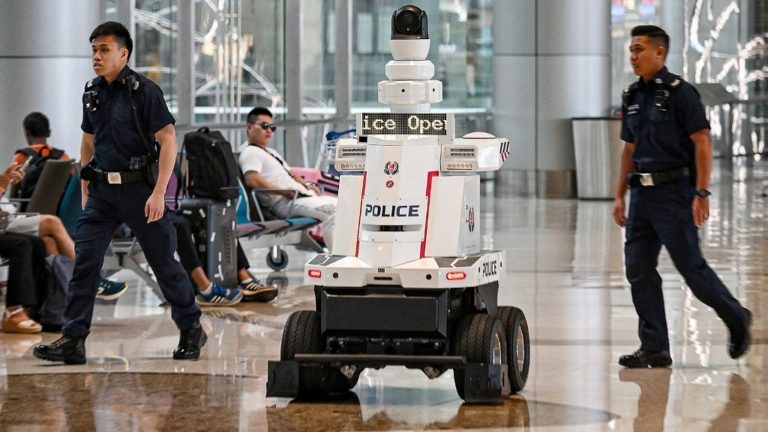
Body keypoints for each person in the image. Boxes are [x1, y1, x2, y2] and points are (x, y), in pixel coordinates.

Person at [33, 22, 205, 365]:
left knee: (163, 264)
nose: (96, 56)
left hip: (140, 191)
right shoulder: (92, 92)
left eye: (104, 50)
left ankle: (190, 326)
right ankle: (74, 338)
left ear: (123, 54)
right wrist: (84, 187)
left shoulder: (145, 91)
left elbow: (168, 140)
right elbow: (87, 140)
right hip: (101, 193)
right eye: (94, 50)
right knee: (85, 263)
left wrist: (159, 193)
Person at [613, 25, 752, 368]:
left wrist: (701, 192)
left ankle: (736, 317)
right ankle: (655, 347)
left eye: (640, 50)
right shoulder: (631, 95)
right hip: (641, 197)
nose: (634, 56)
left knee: (691, 269)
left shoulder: (680, 93)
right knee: (639, 269)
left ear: (660, 53)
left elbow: (702, 141)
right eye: (631, 50)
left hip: (674, 193)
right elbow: (629, 149)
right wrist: (619, 196)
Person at [0, 162, 127, 300]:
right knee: (52, 223)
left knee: (49, 241)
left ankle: (57, 303)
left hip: (6, 218)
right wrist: (3, 183)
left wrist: (6, 182)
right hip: (4, 221)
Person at [238, 107, 337, 249]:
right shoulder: (250, 152)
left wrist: (308, 185)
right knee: (333, 212)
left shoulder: (270, 152)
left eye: (272, 127)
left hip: (301, 196)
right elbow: (252, 179)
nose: (269, 131)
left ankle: (349, 253)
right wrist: (283, 191)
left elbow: (291, 174)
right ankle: (339, 257)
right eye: (264, 126)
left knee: (345, 206)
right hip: (286, 202)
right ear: (249, 127)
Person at [171, 214, 278, 304]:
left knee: (217, 217)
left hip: (172, 207)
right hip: (160, 213)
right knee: (181, 224)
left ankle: (243, 278)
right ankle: (205, 289)